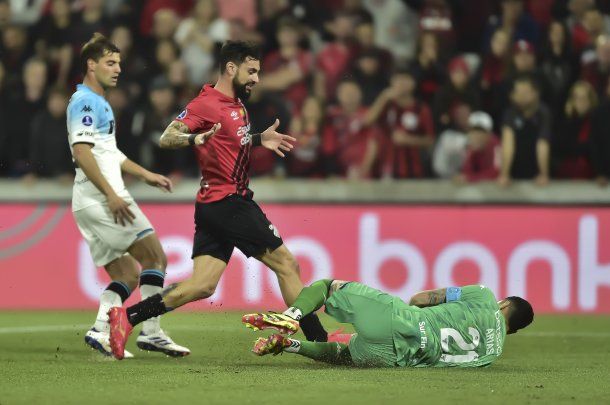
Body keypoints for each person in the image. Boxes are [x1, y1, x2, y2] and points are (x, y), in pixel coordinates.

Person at [108, 41, 329, 360]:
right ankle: (320, 341)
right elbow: (167, 136)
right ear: (231, 68)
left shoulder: (238, 104)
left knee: (202, 285)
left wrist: (258, 139)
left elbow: (229, 143)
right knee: (287, 264)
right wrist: (193, 138)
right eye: (251, 71)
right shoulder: (206, 102)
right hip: (229, 202)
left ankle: (125, 319)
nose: (256, 78)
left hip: (214, 205)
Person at [67, 33, 189, 358]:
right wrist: (111, 194)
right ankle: (152, 332)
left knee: (127, 274)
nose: (118, 68)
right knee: (156, 258)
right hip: (103, 199)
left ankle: (100, 329)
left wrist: (145, 174)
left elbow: (109, 153)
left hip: (87, 202)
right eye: (110, 62)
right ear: (91, 65)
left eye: (119, 62)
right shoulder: (86, 102)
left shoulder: (99, 102)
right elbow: (82, 151)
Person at [243, 279, 534, 368]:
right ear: (514, 329)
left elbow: (421, 299)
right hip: (400, 358)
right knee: (347, 356)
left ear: (504, 305)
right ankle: (290, 345)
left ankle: (290, 317)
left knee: (328, 286)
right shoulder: (492, 355)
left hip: (404, 322)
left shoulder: (485, 297)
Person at [497, 75, 551, 187]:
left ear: (535, 93)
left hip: (536, 169)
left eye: (525, 92)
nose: (520, 96)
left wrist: (543, 174)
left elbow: (543, 144)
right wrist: (504, 174)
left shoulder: (543, 113)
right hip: (516, 169)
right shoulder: (510, 113)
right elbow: (508, 144)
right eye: (518, 92)